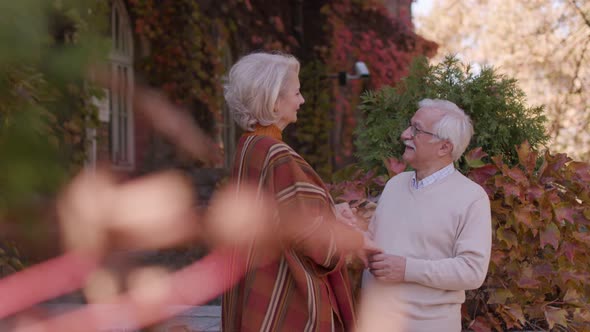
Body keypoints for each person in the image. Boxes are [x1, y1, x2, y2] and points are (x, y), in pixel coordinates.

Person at [222, 51, 378, 332]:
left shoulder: (249, 147)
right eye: (296, 92)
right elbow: (311, 238)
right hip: (290, 299)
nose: (302, 100)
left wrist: (330, 210)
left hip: (259, 288)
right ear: (273, 99)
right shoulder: (276, 154)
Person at [360, 99, 492, 331]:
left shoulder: (472, 198)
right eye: (410, 126)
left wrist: (407, 269)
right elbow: (374, 243)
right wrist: (355, 235)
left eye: (416, 129)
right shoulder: (395, 184)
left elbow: (472, 271)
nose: (404, 135)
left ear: (444, 147)